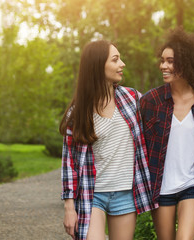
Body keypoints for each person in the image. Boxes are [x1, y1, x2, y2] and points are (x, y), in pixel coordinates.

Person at [59, 40, 157, 240]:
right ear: (97, 65)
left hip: (125, 194)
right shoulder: (78, 112)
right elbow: (69, 163)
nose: (122, 64)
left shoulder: (132, 98)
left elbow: (163, 117)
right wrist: (69, 207)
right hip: (92, 195)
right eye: (115, 59)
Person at [140, 27, 194, 240]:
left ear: (186, 62)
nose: (163, 66)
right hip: (162, 188)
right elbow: (136, 139)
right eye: (162, 60)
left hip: (192, 186)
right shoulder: (150, 101)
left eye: (170, 61)